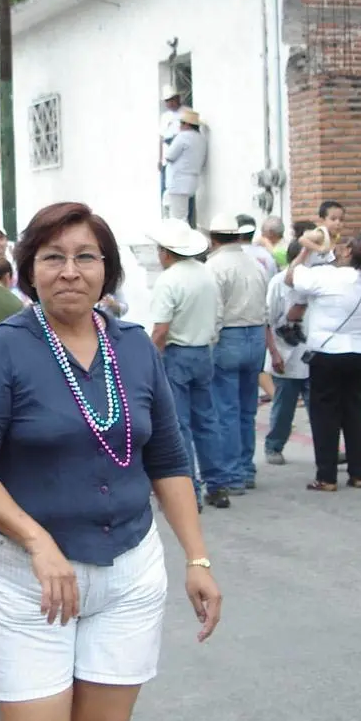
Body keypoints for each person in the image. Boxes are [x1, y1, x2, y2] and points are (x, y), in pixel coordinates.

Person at [0, 200, 221, 721]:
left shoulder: (133, 347)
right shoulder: (2, 350)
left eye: (86, 257)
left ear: (107, 270)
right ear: (29, 270)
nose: (70, 271)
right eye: (53, 258)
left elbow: (169, 457)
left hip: (128, 571)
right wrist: (37, 541)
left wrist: (197, 557)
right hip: (31, 581)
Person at [287, 234, 361, 492]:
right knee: (354, 412)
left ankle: (327, 476)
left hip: (328, 355)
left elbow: (291, 277)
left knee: (325, 415)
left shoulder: (328, 277)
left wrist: (305, 251)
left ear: (349, 252)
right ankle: (358, 473)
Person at [147, 218, 224, 510]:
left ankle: (189, 490)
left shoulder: (169, 280)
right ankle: (217, 484)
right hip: (204, 350)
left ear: (166, 252)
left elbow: (161, 330)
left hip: (178, 353)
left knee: (180, 425)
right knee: (207, 419)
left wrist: (150, 361)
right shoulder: (206, 274)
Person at [205, 213, 269, 501]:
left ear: (213, 238)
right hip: (255, 334)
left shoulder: (214, 266)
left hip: (229, 335)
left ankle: (232, 474)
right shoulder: (255, 263)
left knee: (226, 410)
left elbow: (215, 311)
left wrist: (211, 341)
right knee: (247, 409)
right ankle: (246, 468)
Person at [263, 238, 309, 465]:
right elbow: (267, 321)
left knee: (321, 408)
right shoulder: (278, 283)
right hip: (286, 353)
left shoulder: (316, 282)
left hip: (313, 354)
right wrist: (274, 353)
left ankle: (326, 447)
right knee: (284, 407)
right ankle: (274, 446)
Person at [161, 108, 207, 225]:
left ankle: (180, 242)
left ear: (187, 124)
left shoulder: (182, 137)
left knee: (178, 219)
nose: (180, 126)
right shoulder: (201, 138)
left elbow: (169, 155)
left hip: (178, 182)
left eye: (181, 123)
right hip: (191, 181)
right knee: (184, 214)